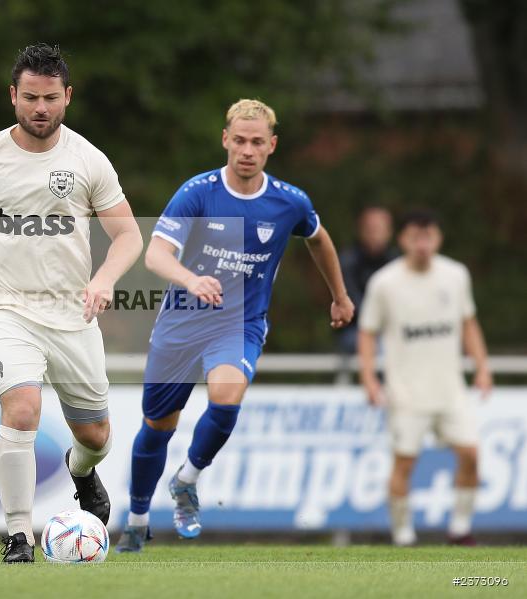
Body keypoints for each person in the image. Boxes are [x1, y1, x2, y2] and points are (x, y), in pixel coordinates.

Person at [0, 44, 143, 563]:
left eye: (51, 98)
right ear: (13, 96)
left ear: (68, 98)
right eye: (31, 97)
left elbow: (128, 236)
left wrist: (104, 280)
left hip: (71, 314)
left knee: (97, 435)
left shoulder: (88, 161)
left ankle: (80, 470)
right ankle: (18, 534)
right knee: (21, 407)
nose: (41, 108)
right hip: (6, 308)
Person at [115, 99, 355, 551]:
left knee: (226, 398)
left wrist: (339, 295)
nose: (247, 150)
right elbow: (155, 255)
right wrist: (191, 278)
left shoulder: (289, 202)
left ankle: (187, 480)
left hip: (239, 323)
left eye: (257, 142)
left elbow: (318, 239)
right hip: (182, 322)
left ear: (272, 146)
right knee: (158, 426)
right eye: (239, 140)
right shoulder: (198, 192)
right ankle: (137, 518)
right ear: (226, 140)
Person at [357, 209, 492, 546]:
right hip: (406, 393)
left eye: (428, 235)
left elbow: (468, 323)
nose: (422, 243)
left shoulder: (455, 275)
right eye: (415, 236)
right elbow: (367, 332)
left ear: (438, 238)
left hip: (450, 390)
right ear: (402, 239)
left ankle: (460, 530)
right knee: (404, 462)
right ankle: (404, 536)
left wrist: (482, 367)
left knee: (471, 454)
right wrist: (370, 379)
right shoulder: (385, 283)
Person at [336, 206, 397, 357]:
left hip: (392, 327)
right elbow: (351, 303)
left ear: (389, 232)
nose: (374, 234)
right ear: (361, 231)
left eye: (379, 229)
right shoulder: (347, 261)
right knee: (382, 347)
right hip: (354, 330)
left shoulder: (398, 262)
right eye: (370, 229)